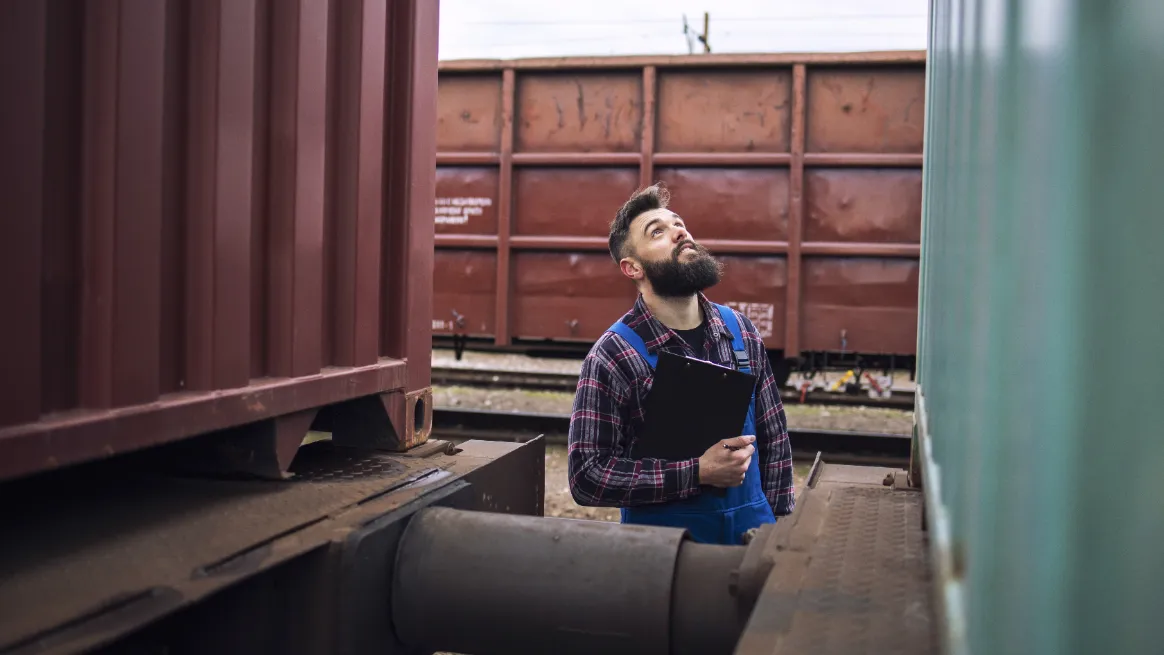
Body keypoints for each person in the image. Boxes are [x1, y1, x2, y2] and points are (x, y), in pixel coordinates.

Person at [566, 183, 796, 545]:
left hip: (753, 542)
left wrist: (783, 531)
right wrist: (697, 472)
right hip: (663, 561)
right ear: (632, 268)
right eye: (657, 231)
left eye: (679, 224)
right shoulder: (615, 354)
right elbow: (587, 478)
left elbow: (774, 442)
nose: (679, 231)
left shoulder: (740, 332)